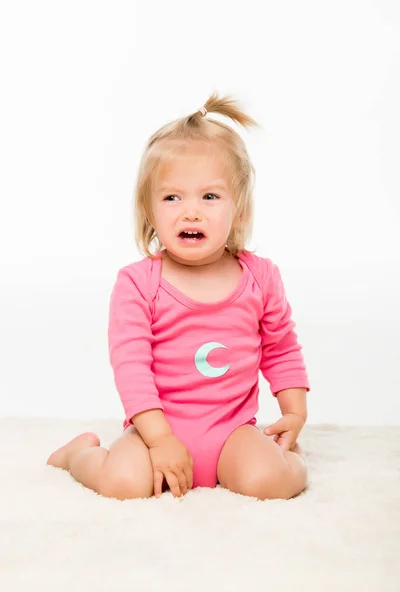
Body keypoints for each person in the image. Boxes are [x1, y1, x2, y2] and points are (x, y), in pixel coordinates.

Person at [47, 92, 311, 502]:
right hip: (156, 429)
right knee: (123, 484)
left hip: (232, 432)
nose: (191, 212)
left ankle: (290, 462)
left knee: (268, 483)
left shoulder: (261, 278)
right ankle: (81, 455)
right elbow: (132, 368)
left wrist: (294, 413)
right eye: (173, 197)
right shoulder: (139, 284)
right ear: (150, 211)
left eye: (210, 196)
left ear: (239, 210)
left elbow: (281, 348)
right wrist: (160, 440)